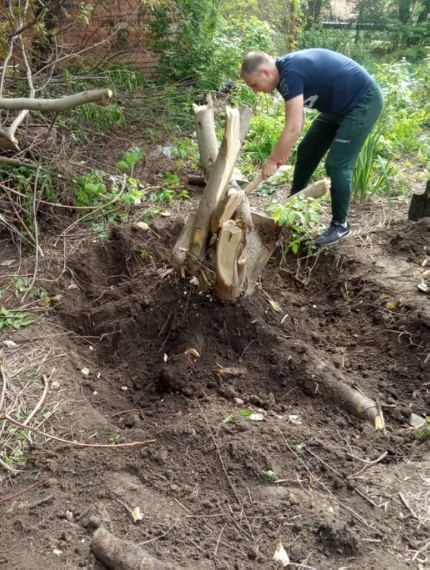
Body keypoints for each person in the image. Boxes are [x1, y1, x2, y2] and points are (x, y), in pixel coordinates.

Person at [240, 49, 384, 246]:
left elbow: (293, 127)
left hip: (362, 102)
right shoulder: (281, 77)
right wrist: (285, 149)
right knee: (307, 150)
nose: (255, 90)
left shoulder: (290, 73)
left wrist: (272, 160)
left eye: (254, 85)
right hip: (336, 109)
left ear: (265, 72)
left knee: (337, 165)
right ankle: (293, 206)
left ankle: (340, 225)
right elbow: (298, 116)